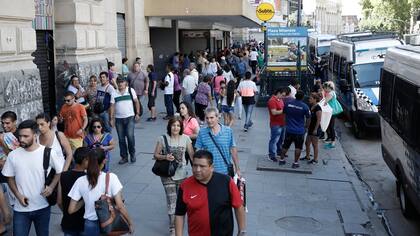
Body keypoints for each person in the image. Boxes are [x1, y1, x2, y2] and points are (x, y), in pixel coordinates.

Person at [2, 120, 65, 236]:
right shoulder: (13, 155)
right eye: (20, 136)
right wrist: (18, 196)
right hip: (20, 209)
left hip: (43, 207)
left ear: (35, 135)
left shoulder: (48, 153)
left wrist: (51, 187)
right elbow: (9, 177)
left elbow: (60, 171)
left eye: (26, 136)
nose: (21, 139)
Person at [175, 150, 246, 236]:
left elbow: (238, 206)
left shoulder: (226, 181)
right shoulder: (185, 186)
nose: (197, 170)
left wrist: (241, 231)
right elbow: (179, 214)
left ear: (211, 167)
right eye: (195, 165)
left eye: (202, 166)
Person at [68, 149, 134, 235]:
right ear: (104, 161)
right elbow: (120, 205)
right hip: (109, 223)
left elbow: (71, 210)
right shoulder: (112, 177)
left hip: (90, 224)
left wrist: (85, 200)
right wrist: (130, 222)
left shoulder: (80, 181)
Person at [152, 117, 194, 236]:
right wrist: (165, 157)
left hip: (182, 175)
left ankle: (178, 223)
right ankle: (172, 227)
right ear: (169, 126)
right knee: (172, 201)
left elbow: (191, 155)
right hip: (167, 175)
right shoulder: (162, 138)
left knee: (180, 202)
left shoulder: (186, 139)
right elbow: (155, 155)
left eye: (178, 126)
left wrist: (198, 167)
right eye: (173, 125)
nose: (175, 128)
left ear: (181, 127)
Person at [195, 107, 241, 177]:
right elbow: (197, 152)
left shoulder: (227, 131)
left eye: (211, 118)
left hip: (225, 172)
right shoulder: (202, 132)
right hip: (208, 173)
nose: (209, 120)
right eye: (207, 118)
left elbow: (233, 151)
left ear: (217, 117)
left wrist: (238, 169)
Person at [58, 147, 89, 236]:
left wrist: (66, 213)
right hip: (84, 222)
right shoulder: (88, 177)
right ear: (85, 160)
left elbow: (59, 201)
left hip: (68, 222)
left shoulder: (63, 175)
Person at [110, 77, 140, 164]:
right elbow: (112, 106)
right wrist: (111, 119)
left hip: (130, 117)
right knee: (121, 139)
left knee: (130, 137)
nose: (120, 84)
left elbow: (136, 101)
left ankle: (132, 154)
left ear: (125, 83)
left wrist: (137, 113)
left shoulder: (130, 90)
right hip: (118, 119)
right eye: (118, 82)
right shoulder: (114, 93)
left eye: (122, 82)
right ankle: (124, 157)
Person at [279, 90, 311, 168]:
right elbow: (308, 118)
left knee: (285, 145)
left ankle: (281, 160)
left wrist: (284, 123)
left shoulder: (288, 104)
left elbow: (283, 113)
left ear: (295, 95)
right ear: (303, 98)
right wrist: (306, 127)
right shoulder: (305, 106)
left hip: (289, 129)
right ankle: (295, 163)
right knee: (298, 147)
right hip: (299, 131)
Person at [267, 88, 285, 162]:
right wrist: (283, 111)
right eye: (282, 95)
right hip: (275, 123)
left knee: (280, 139)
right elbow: (274, 112)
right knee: (274, 140)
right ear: (278, 93)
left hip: (282, 123)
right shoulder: (272, 101)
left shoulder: (280, 100)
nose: (283, 97)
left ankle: (278, 152)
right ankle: (272, 155)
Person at [303, 93, 322, 164]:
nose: (309, 99)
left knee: (315, 144)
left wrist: (315, 129)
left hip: (315, 128)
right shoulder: (311, 106)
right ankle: (307, 156)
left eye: (311, 98)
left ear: (315, 99)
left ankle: (315, 159)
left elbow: (318, 120)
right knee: (307, 143)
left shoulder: (318, 108)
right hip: (310, 128)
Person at [323, 81, 337, 149]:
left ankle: (333, 141)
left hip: (331, 112)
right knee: (330, 125)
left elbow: (325, 101)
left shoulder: (331, 93)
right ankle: (331, 139)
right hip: (330, 111)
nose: (324, 89)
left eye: (325, 88)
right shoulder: (331, 92)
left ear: (328, 87)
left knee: (331, 126)